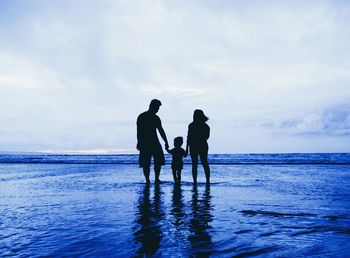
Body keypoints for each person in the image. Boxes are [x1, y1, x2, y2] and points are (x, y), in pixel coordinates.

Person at [137, 99, 169, 183]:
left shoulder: (143, 116)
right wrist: (166, 141)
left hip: (149, 142)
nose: (158, 110)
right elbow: (139, 131)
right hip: (150, 142)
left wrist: (166, 141)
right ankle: (152, 179)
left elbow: (139, 131)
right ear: (153, 106)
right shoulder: (147, 117)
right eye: (157, 107)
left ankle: (152, 179)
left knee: (151, 162)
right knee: (149, 163)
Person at [187, 109, 210, 184]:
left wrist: (187, 147)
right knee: (205, 163)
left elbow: (189, 137)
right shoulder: (206, 126)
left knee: (194, 165)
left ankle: (195, 181)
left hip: (194, 145)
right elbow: (207, 137)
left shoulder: (191, 125)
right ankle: (207, 181)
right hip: (203, 145)